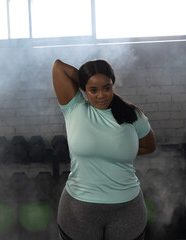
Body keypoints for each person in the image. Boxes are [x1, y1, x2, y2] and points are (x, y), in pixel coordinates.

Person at [52, 59, 156, 240]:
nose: (101, 95)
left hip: (127, 209)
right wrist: (87, 78)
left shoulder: (133, 115)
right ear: (85, 89)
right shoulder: (74, 108)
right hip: (79, 209)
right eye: (93, 90)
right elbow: (58, 67)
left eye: (106, 88)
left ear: (112, 86)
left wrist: (120, 152)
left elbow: (149, 146)